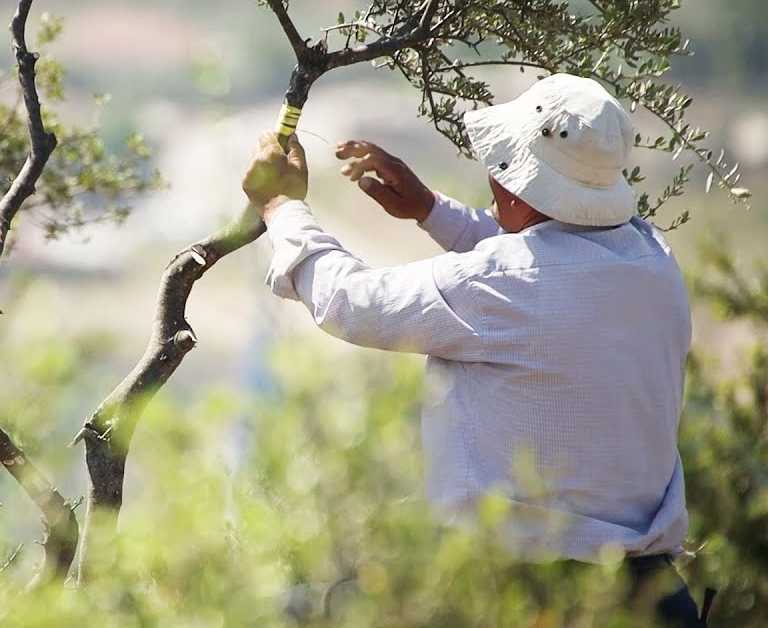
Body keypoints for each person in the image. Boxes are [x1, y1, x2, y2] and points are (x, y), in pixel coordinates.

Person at [242, 74, 710, 626]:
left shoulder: (504, 284)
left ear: (515, 184)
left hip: (521, 595)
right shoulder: (653, 257)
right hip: (652, 599)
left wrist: (281, 207)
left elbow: (351, 301)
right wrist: (430, 209)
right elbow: (548, 270)